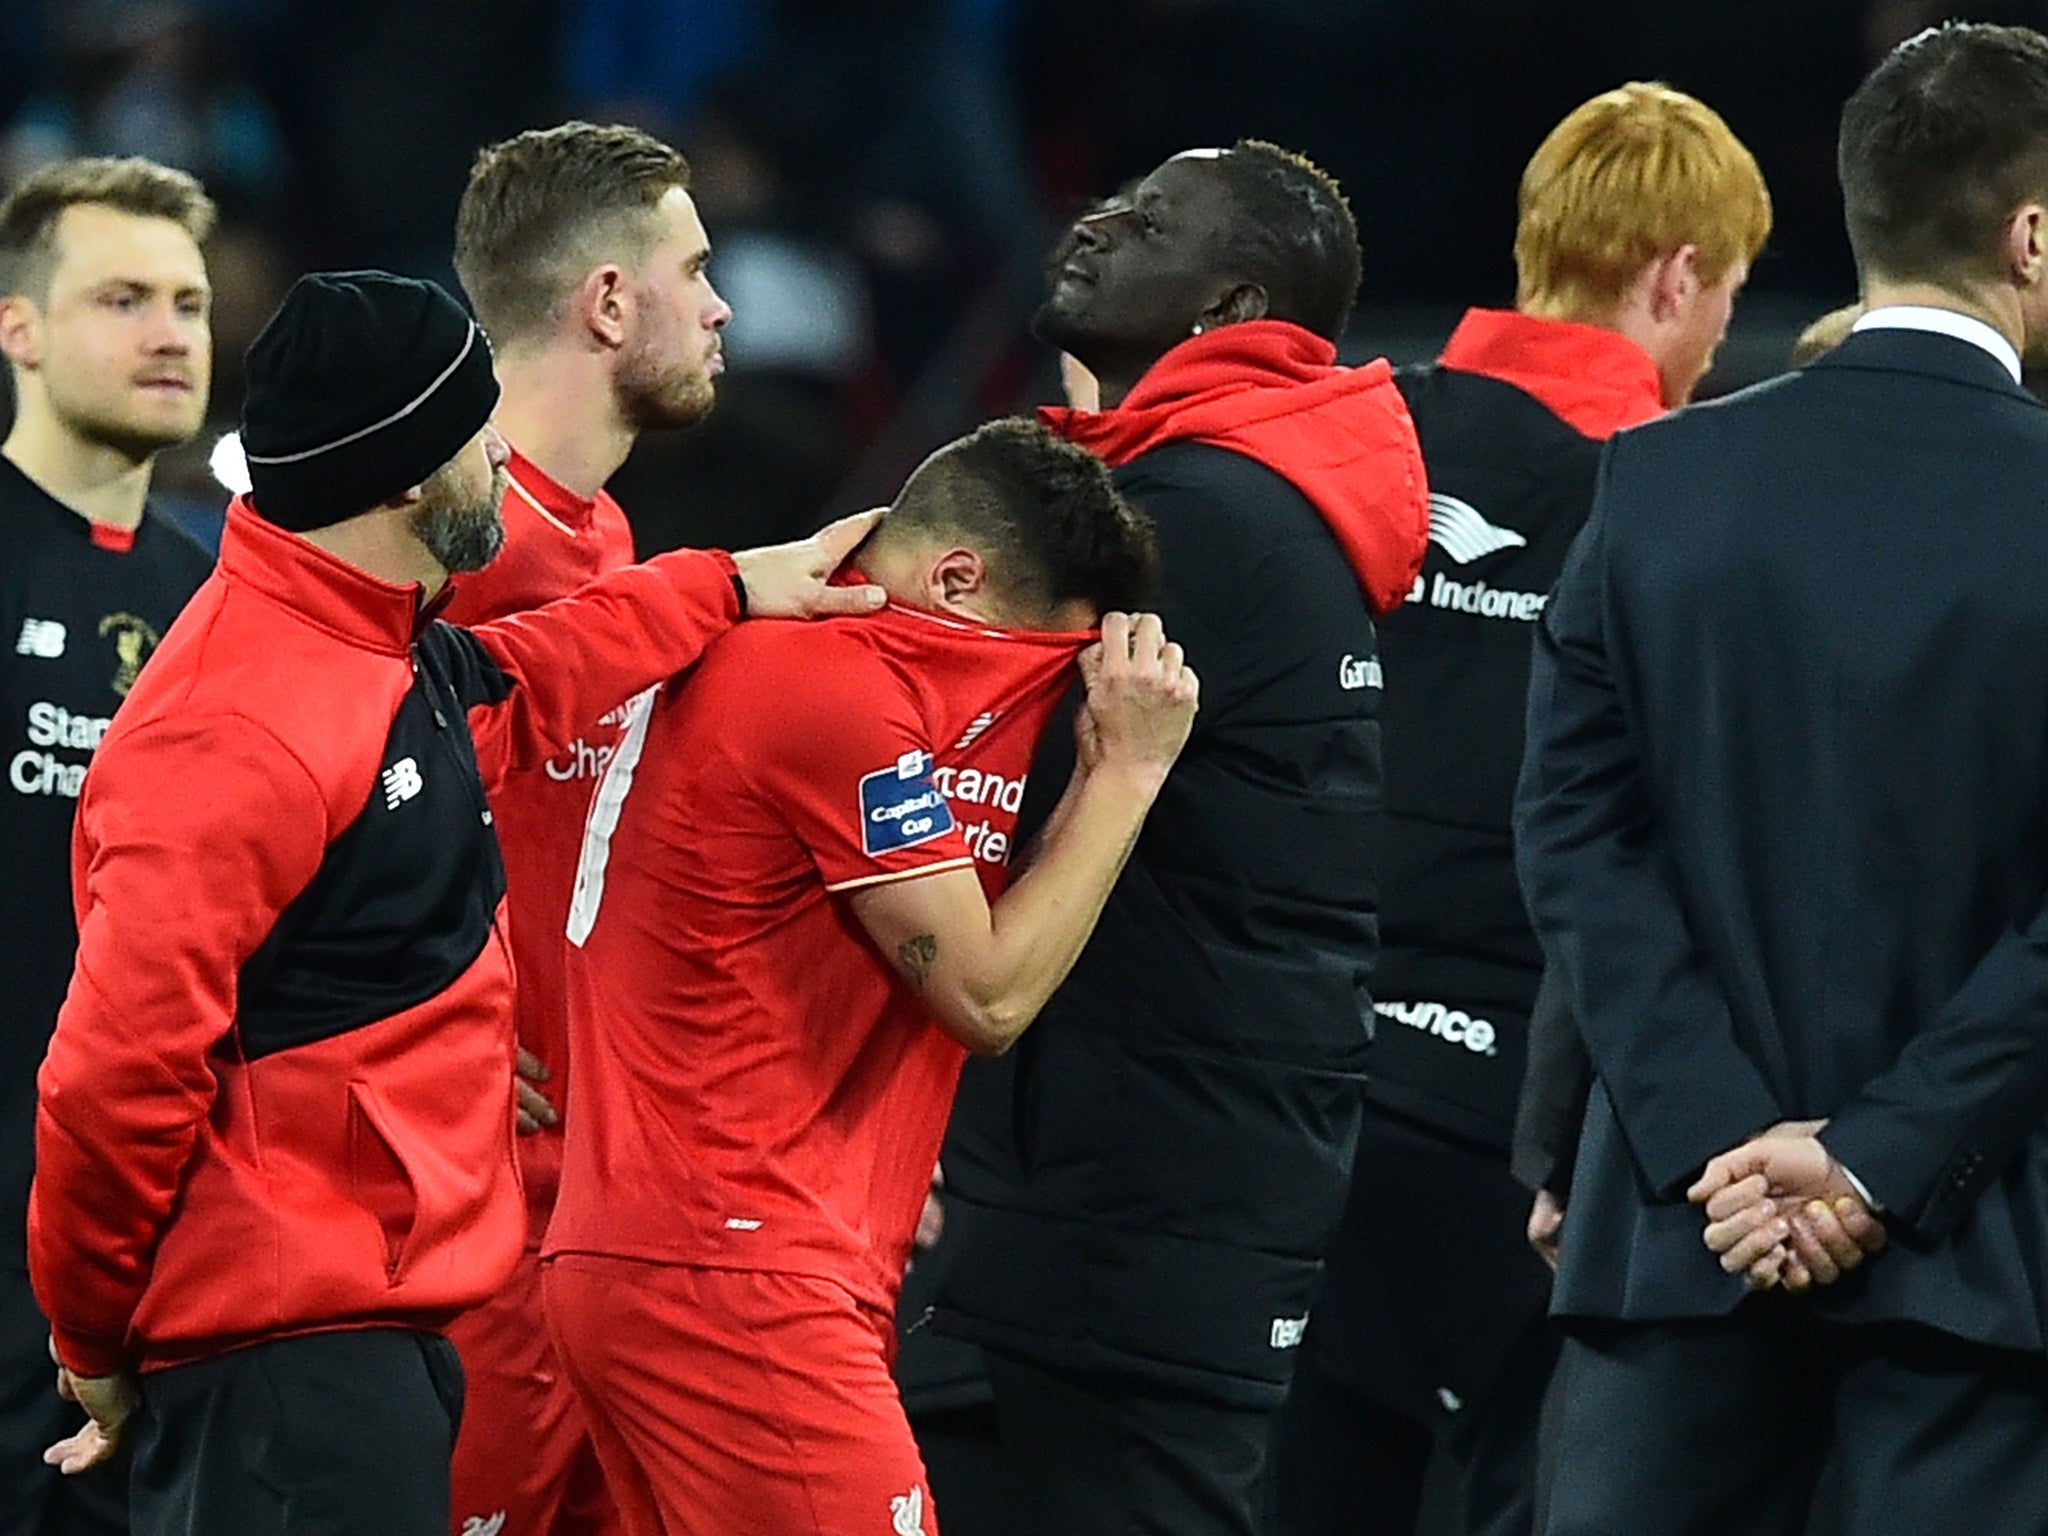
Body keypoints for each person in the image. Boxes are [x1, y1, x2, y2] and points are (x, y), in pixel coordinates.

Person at [27, 268, 884, 1536]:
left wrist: (727, 584)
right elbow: (113, 1076)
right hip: (286, 1361)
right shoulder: (237, 721)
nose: (503, 454)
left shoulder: (365, 639)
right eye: (481, 432)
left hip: (368, 1336)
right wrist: (88, 1331)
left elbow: (522, 674)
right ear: (412, 476)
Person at [1517, 22, 2048, 1535]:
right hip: (1985, 1278)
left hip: (1686, 1249)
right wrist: (1872, 1162)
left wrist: (1717, 1147)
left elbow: (1573, 836)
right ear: (2029, 234)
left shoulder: (1658, 481)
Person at [541, 416, 1195, 1536]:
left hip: (684, 1254)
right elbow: (985, 996)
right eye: (1036, 663)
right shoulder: (822, 685)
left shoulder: (791, 662)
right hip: (734, 1271)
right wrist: (1123, 775)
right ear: (953, 577)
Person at [1271, 85, 1772, 1536]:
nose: (1722, 332)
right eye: (1726, 293)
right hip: (1517, 1149)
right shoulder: (1678, 505)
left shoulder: (1341, 439)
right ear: (1678, 273)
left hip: (1283, 1096)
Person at [932, 140, 1429, 1536]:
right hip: (1146, 1191)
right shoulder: (1240, 500)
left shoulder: (1192, 523)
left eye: (1149, 220)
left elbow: (935, 777)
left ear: (1232, 309)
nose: (1094, 220)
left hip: (1128, 1212)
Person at [436, 118, 731, 1536]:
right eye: (694, 268)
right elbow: (272, 821)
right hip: (444, 1209)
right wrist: (442, 1037)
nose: (723, 304)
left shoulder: (595, 544)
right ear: (609, 303)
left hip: (575, 1204)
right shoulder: (436, 535)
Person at [0, 154, 217, 1536]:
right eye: (122, 297)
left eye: (191, 302)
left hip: (145, 1252)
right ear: (17, 327)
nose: (170, 334)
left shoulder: (217, 596)